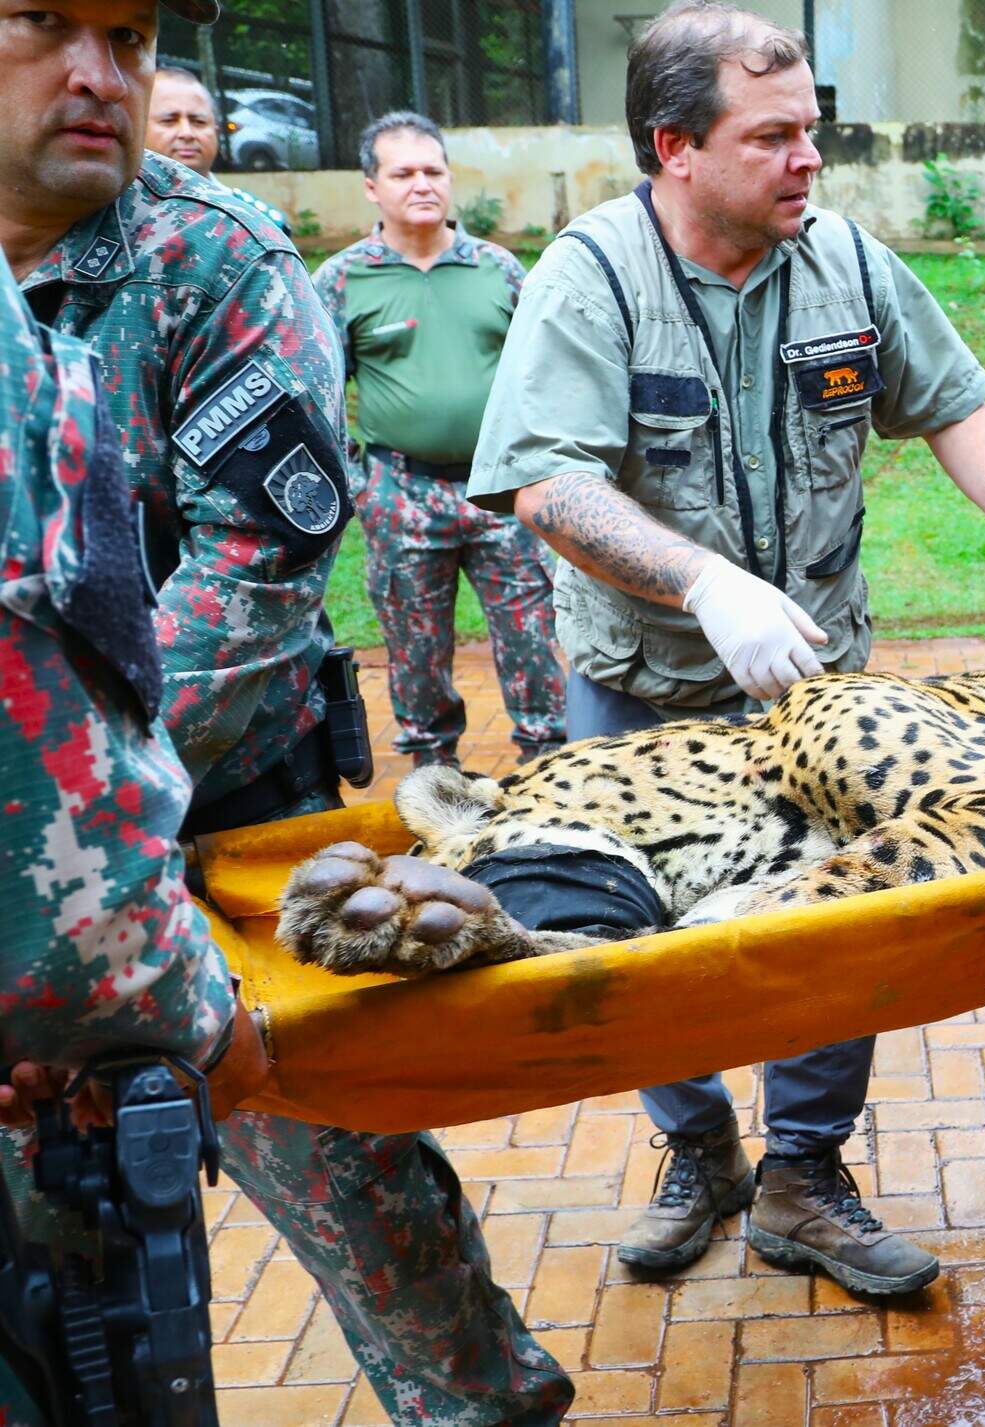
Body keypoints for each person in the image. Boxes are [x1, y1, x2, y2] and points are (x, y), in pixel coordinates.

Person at [0, 3, 572, 1421]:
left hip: (243, 851)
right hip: (20, 896)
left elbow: (255, 570)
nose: (100, 74)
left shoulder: (212, 258)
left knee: (375, 1211)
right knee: (68, 1289)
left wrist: (62, 835)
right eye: (43, 22)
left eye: (131, 35)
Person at [465, 0, 985, 1296]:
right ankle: (699, 1153)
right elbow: (547, 483)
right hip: (643, 698)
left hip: (819, 689)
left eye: (813, 129)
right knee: (642, 944)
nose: (809, 159)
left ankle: (804, 1175)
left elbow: (952, 400)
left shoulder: (844, 261)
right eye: (772, 137)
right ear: (675, 147)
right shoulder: (594, 276)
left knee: (835, 930)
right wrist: (703, 584)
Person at [0, 255, 276, 1423]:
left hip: (228, 806)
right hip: (111, 929)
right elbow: (33, 759)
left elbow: (265, 549)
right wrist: (158, 1006)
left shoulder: (213, 256)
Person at [314, 112, 567, 769]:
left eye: (434, 170)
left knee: (532, 636)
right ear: (372, 187)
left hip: (501, 491)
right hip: (402, 492)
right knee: (415, 648)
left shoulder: (498, 269)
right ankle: (434, 773)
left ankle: (547, 768)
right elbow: (316, 394)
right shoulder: (343, 279)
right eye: (403, 173)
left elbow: (545, 375)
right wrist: (357, 485)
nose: (422, 184)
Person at [142, 62, 291, 230]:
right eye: (169, 121)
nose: (187, 133)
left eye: (199, 122)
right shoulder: (122, 215)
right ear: (138, 128)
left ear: (216, 130)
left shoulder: (259, 222)